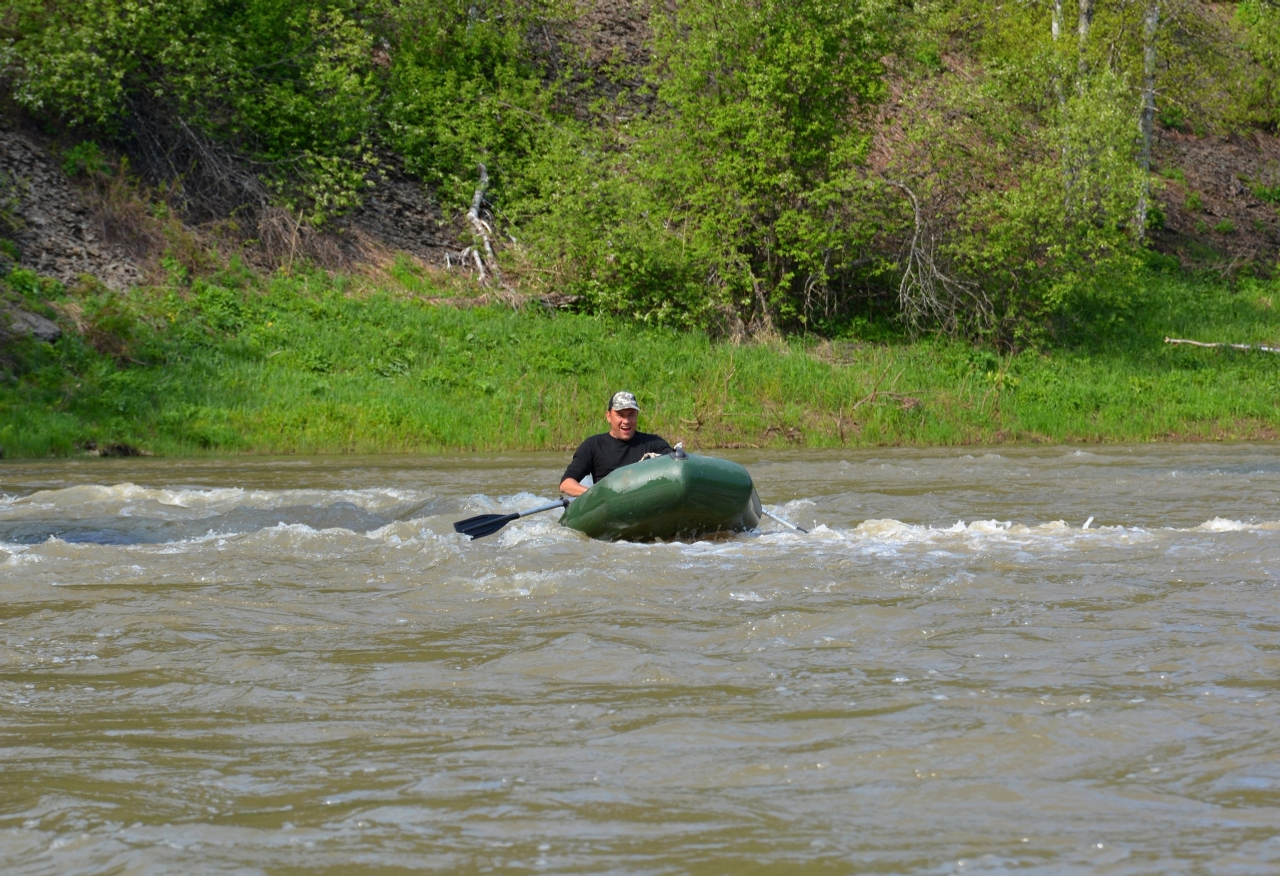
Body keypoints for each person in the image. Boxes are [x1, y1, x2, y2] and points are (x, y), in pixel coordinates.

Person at [559, 391, 673, 497]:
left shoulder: (653, 443)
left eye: (631, 415)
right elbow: (566, 484)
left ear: (637, 415)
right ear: (608, 416)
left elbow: (676, 464)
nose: (626, 421)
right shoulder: (593, 445)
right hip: (608, 507)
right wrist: (596, 496)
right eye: (620, 415)